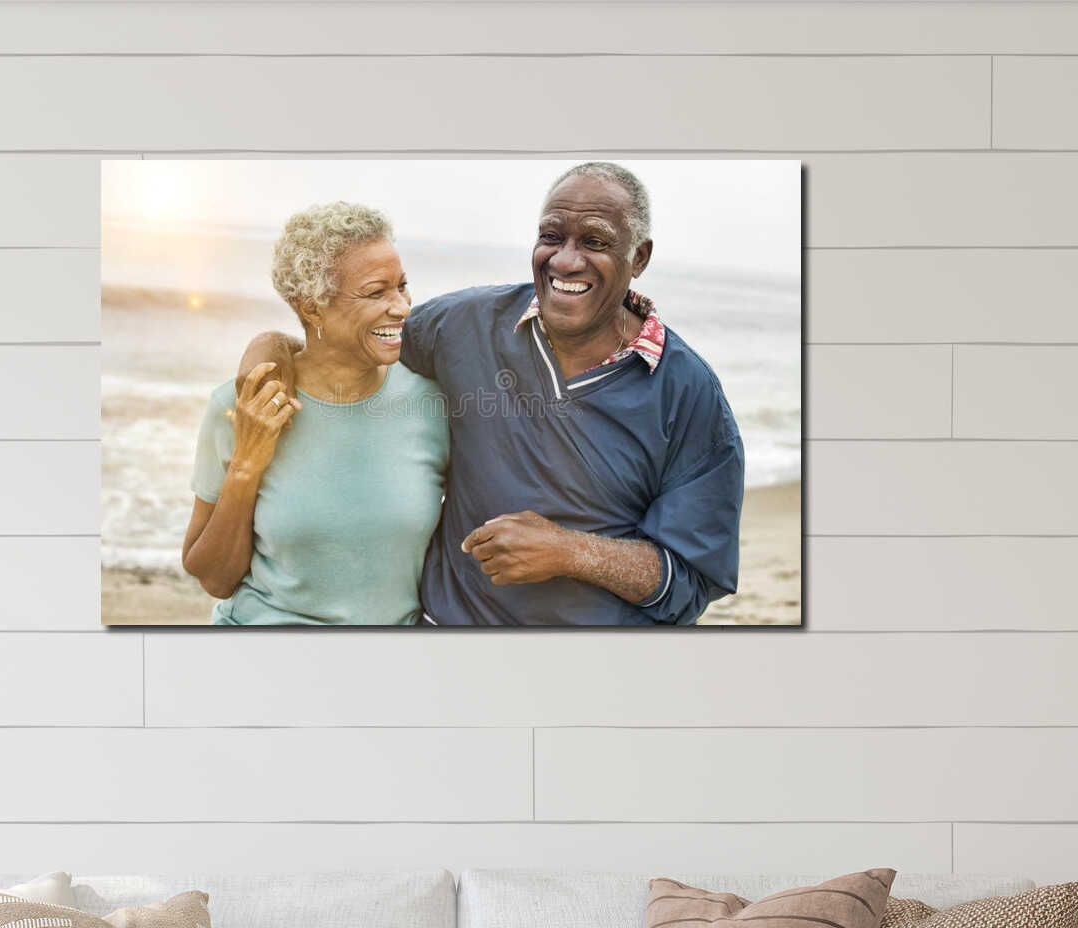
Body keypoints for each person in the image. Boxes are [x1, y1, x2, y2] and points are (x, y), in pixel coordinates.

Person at [239, 162, 744, 626]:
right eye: (552, 236)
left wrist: (569, 552)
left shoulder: (689, 393)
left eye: (594, 241)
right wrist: (268, 351)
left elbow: (694, 579)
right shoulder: (465, 324)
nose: (566, 261)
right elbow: (352, 341)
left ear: (639, 257)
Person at [180, 202, 448, 625]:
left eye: (402, 286)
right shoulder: (240, 407)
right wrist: (247, 465)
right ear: (311, 307)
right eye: (377, 292)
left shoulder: (433, 405)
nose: (401, 307)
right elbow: (214, 579)